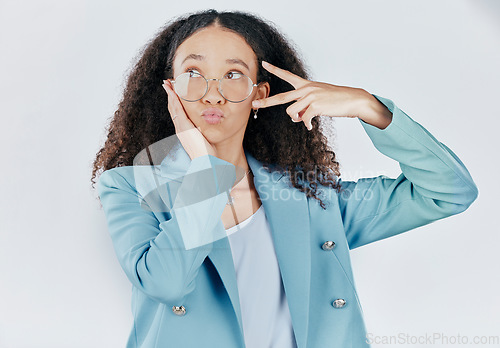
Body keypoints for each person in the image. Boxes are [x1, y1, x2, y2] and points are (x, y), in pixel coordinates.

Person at [91, 9, 478, 348]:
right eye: (194, 73)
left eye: (233, 74)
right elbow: (165, 283)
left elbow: (448, 192)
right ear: (170, 89)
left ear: (258, 93)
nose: (213, 94)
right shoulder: (129, 185)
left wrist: (369, 106)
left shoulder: (310, 196)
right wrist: (205, 168)